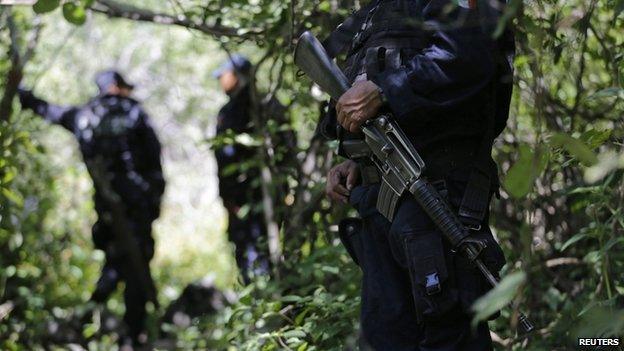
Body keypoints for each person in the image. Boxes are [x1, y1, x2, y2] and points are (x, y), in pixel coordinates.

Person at [320, 0, 515, 350]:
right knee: (386, 340)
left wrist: (384, 91)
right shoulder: (377, 12)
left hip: (435, 194)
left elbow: (469, 56)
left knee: (448, 335)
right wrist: (356, 157)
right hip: (380, 197)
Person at [18, 70, 165, 346]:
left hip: (109, 209)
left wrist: (22, 93)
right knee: (133, 265)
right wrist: (154, 204)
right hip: (137, 207)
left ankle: (93, 321)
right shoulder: (135, 114)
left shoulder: (85, 116)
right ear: (117, 87)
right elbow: (154, 160)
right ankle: (129, 334)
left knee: (118, 261)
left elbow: (49, 111)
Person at [212, 55, 270, 283]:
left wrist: (230, 197)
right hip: (247, 198)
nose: (220, 82)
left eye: (223, 76)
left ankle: (263, 303)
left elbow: (226, 159)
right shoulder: (266, 105)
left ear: (237, 76)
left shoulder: (242, 111)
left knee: (253, 250)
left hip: (250, 196)